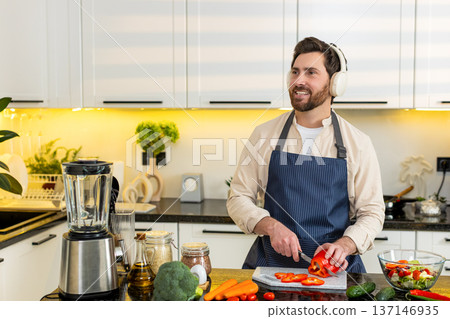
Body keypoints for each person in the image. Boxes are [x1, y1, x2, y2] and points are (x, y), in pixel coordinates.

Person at [227, 37, 384, 273]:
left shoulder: (358, 143)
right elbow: (238, 197)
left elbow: (372, 213)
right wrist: (270, 226)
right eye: (295, 72)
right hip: (271, 268)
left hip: (335, 271)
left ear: (335, 84)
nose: (298, 81)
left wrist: (345, 244)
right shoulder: (264, 134)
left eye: (311, 73)